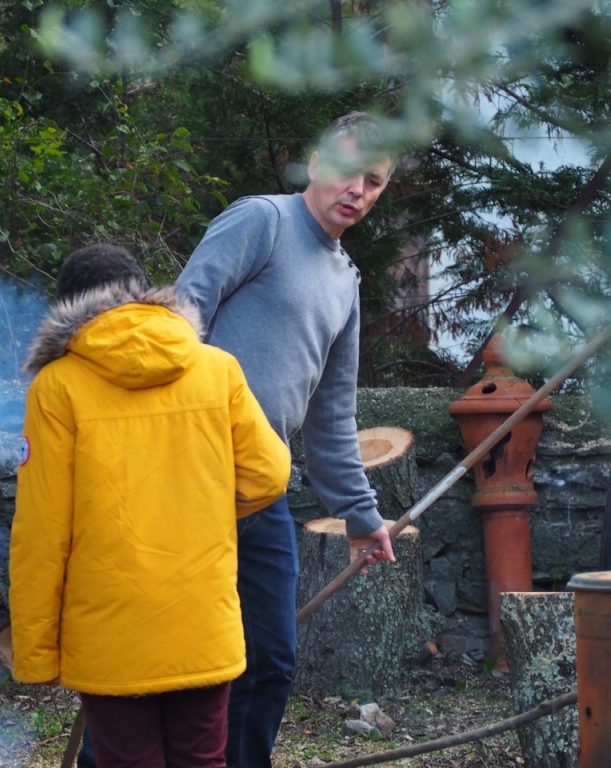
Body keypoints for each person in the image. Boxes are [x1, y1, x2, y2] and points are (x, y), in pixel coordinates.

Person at [9, 244, 292, 768]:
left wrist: (36, 651)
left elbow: (41, 535)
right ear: (145, 294)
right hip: (202, 622)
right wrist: (204, 507)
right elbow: (270, 474)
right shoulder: (217, 368)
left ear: (69, 309)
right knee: (203, 759)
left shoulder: (57, 388)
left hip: (111, 634)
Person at [174, 111, 399, 767]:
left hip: (260, 485)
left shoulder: (345, 282)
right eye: (348, 169)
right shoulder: (261, 221)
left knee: (267, 659)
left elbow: (330, 416)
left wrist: (361, 515)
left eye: (375, 182)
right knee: (164, 651)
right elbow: (184, 316)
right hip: (188, 471)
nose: (357, 189)